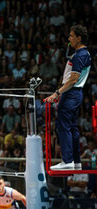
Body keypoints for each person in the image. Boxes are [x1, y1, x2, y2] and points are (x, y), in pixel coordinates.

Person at [45, 25, 91, 170]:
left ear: (79, 38)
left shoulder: (80, 55)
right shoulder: (83, 54)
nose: (69, 38)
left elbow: (73, 79)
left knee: (62, 125)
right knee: (72, 127)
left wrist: (57, 93)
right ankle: (76, 162)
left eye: (71, 36)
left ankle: (67, 161)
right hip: (74, 94)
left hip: (71, 93)